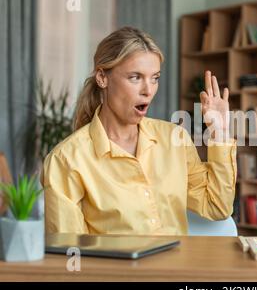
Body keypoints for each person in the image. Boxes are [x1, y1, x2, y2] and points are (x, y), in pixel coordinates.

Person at [41, 26, 236, 235]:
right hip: (114, 269)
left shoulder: (175, 138)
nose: (148, 90)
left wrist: (219, 133)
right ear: (102, 77)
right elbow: (70, 251)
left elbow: (217, 206)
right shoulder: (66, 160)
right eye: (135, 77)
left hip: (175, 266)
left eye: (155, 78)